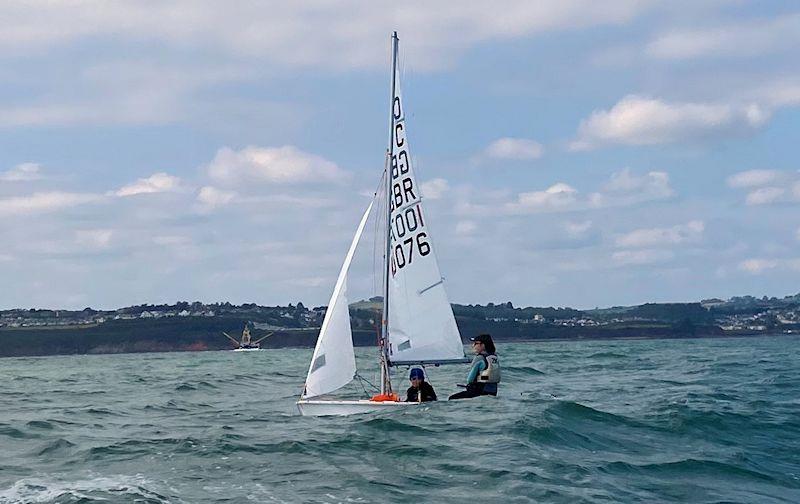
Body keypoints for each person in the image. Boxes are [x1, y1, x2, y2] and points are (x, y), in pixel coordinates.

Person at [448, 334, 501, 400]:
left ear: (483, 345)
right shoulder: (494, 357)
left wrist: (471, 383)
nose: (473, 345)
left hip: (478, 392)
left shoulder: (479, 358)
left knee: (451, 398)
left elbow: (470, 379)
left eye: (476, 343)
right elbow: (490, 377)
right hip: (492, 393)